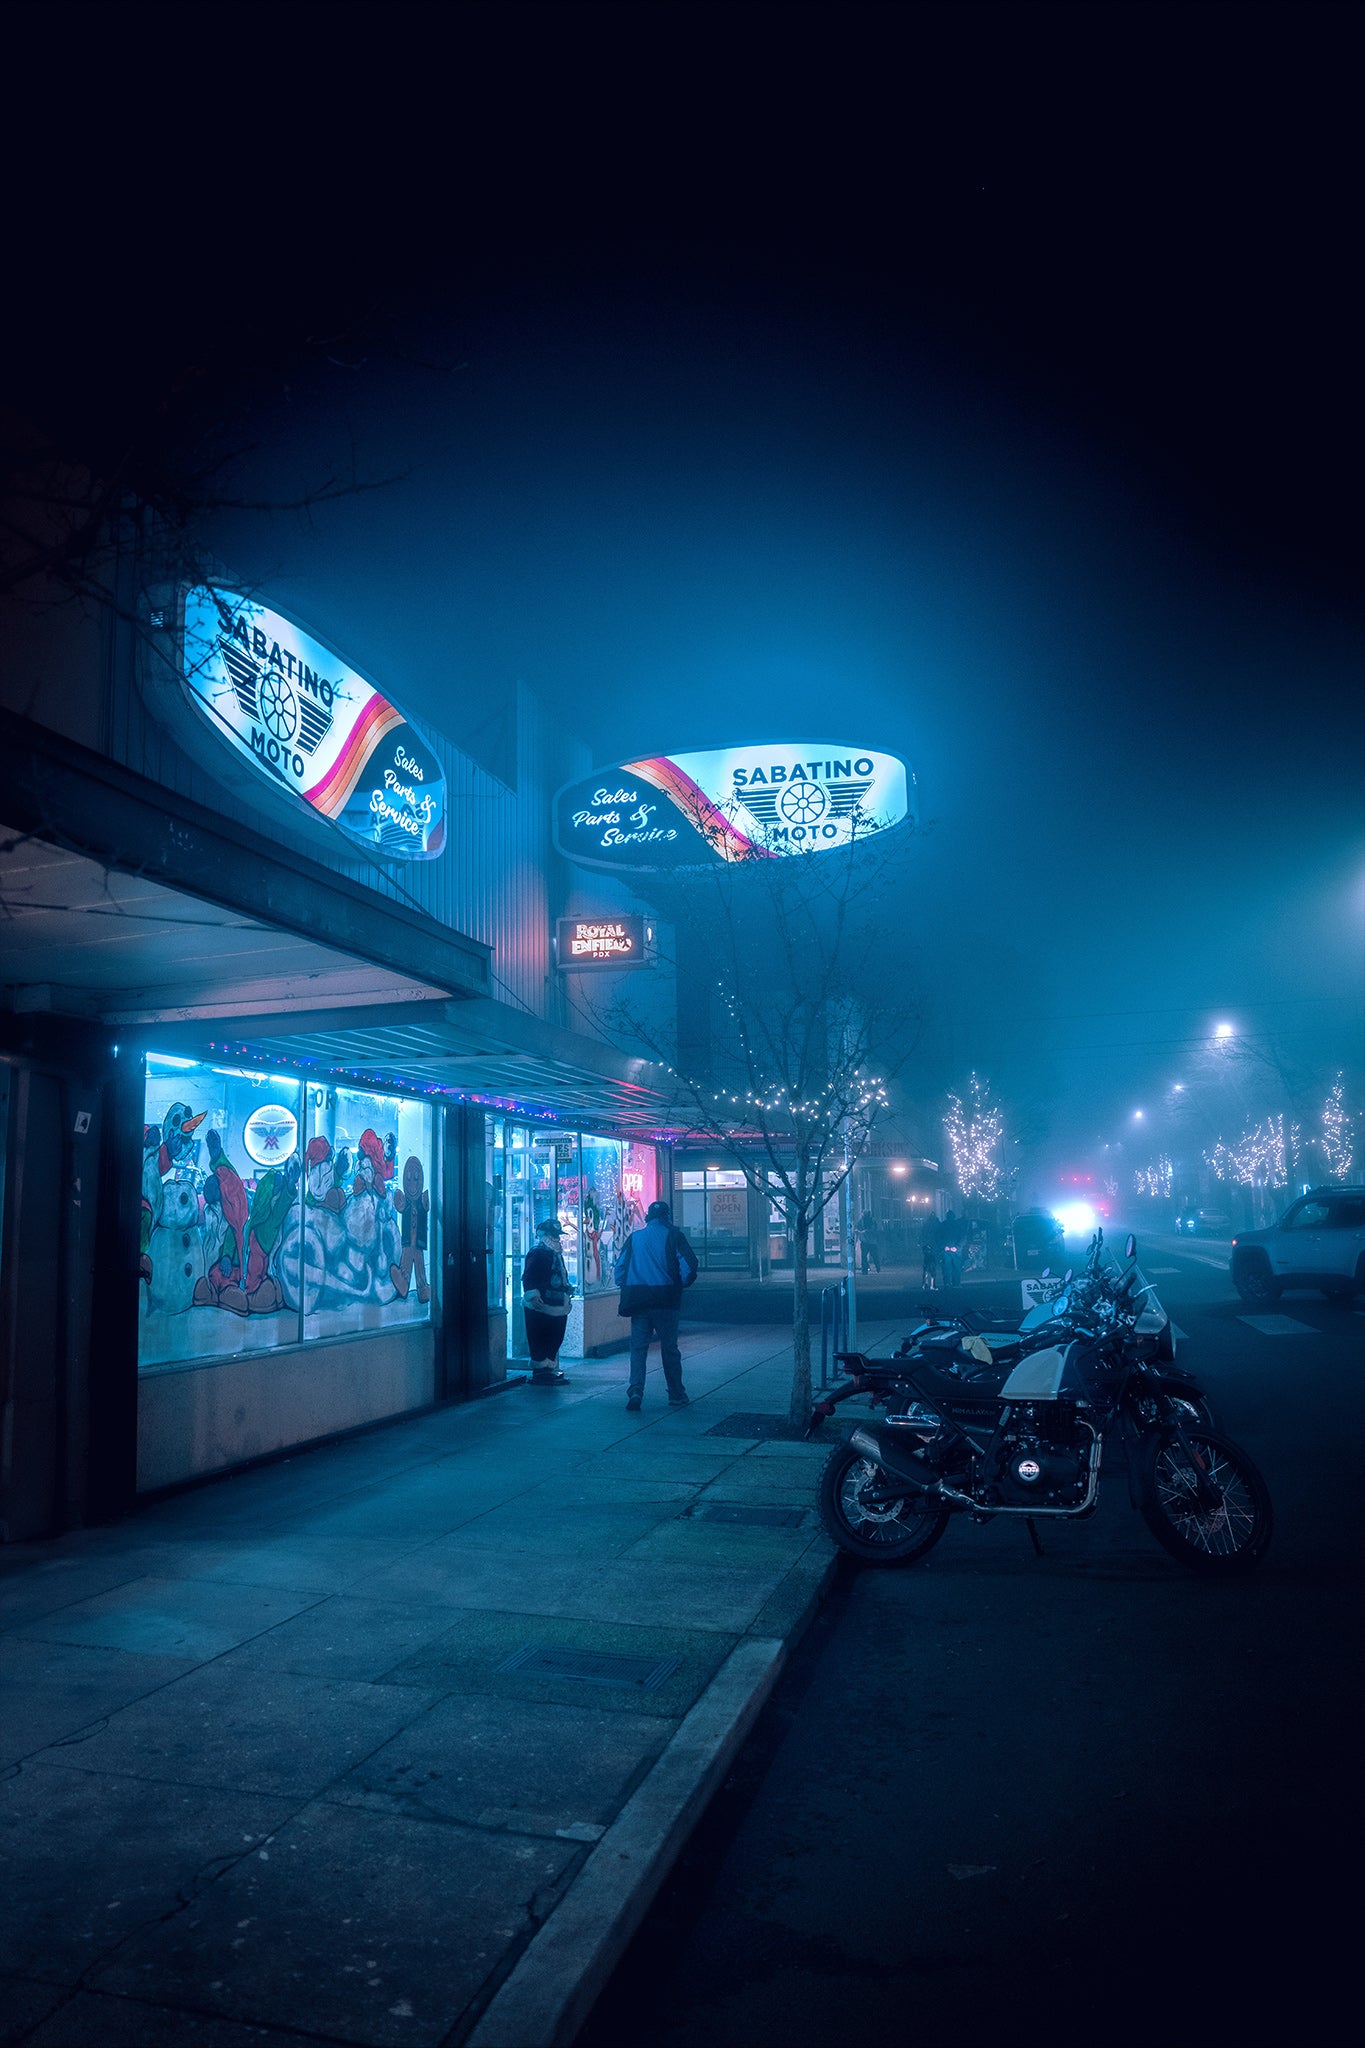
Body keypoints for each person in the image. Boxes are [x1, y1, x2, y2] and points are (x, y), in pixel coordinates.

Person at [614, 1198, 698, 1410]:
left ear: (648, 1218)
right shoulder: (674, 1236)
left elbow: (620, 1268)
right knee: (669, 1348)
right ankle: (676, 1394)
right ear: (666, 1217)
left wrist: (625, 1284)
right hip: (665, 1300)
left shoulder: (634, 1238)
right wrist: (682, 1284)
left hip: (638, 1299)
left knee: (638, 1348)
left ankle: (635, 1390)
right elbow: (689, 1265)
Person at [521, 1216, 573, 1385]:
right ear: (543, 1235)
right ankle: (540, 1369)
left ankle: (549, 1366)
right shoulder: (537, 1253)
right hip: (541, 1305)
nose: (557, 1238)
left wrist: (567, 1290)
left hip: (558, 1305)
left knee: (555, 1335)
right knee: (539, 1336)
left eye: (557, 1235)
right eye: (553, 1235)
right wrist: (533, 1295)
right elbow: (528, 1277)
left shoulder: (556, 1255)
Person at [938, 1208, 965, 1288]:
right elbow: (963, 1237)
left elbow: (938, 1237)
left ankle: (947, 1283)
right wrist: (957, 1247)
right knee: (956, 1268)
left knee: (946, 1268)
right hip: (956, 1250)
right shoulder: (958, 1225)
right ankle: (956, 1283)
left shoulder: (943, 1225)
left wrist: (944, 1246)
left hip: (946, 1250)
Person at [856, 1208, 881, 1275]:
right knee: (865, 1256)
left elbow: (874, 1230)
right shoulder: (862, 1221)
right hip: (867, 1241)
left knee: (872, 1255)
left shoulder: (871, 1221)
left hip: (870, 1241)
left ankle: (876, 1266)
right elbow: (857, 1228)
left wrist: (865, 1231)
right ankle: (865, 1270)